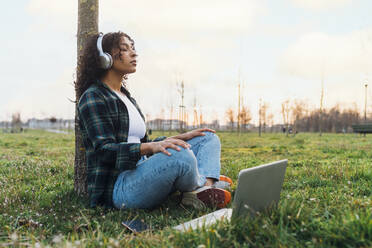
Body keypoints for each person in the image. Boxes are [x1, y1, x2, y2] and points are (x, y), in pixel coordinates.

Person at [76, 31, 232, 210]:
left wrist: (181, 137)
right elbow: (104, 151)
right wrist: (151, 147)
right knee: (181, 155)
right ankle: (206, 182)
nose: (134, 54)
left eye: (133, 48)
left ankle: (201, 188)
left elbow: (142, 145)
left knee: (207, 138)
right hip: (120, 188)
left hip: (143, 169)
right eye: (125, 49)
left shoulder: (126, 97)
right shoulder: (94, 97)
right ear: (105, 58)